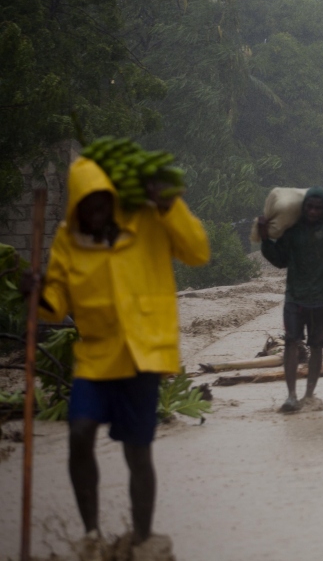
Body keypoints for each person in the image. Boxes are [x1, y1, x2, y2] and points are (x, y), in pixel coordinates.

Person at [23, 156, 210, 561]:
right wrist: (35, 291)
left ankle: (141, 537)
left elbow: (197, 252)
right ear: (76, 208)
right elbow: (56, 306)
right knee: (78, 433)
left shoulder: (147, 221)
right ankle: (91, 534)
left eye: (101, 203)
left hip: (144, 356)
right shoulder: (67, 239)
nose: (95, 213)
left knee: (137, 451)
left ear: (112, 199)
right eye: (86, 207)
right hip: (96, 358)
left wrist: (168, 205)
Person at [257, 186, 323, 413]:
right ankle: (291, 396)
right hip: (295, 298)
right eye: (309, 207)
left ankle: (309, 395)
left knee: (317, 347)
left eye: (318, 208)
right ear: (303, 208)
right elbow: (279, 260)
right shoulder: (292, 231)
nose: (313, 211)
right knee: (291, 344)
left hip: (322, 299)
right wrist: (265, 239)